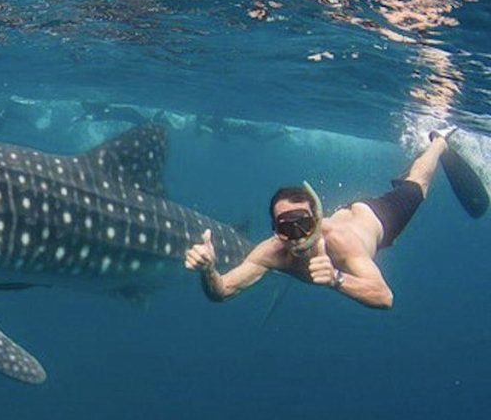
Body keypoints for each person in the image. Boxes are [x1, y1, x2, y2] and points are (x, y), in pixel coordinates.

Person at [184, 131, 460, 308]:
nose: (297, 236)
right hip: (344, 215)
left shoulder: (341, 246)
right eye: (286, 227)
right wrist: (208, 270)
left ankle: (438, 143)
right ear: (275, 231)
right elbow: (222, 292)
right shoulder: (271, 253)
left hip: (377, 220)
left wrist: (336, 279)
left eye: (303, 224)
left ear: (316, 221)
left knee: (414, 187)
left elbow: (384, 297)